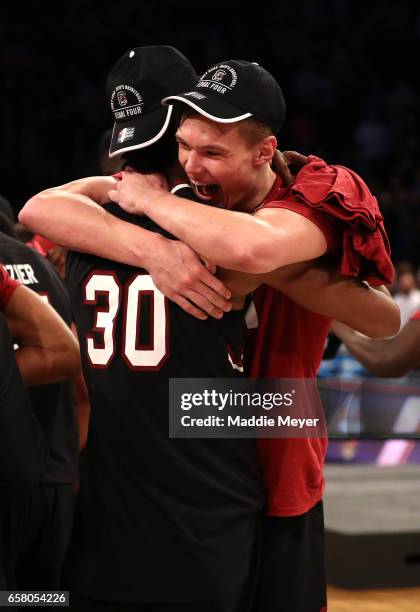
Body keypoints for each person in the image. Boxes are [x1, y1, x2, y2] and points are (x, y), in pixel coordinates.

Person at [19, 49, 399, 612]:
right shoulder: (149, 211)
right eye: (185, 148)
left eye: (212, 151)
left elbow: (377, 315)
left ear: (264, 152)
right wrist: (153, 245)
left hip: (252, 447)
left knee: (37, 594)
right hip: (205, 474)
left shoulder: (307, 189)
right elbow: (41, 208)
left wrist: (147, 207)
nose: (194, 166)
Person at [0, 230, 80, 589]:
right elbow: (79, 375)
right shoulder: (43, 267)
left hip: (17, 476)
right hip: (54, 473)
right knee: (44, 598)